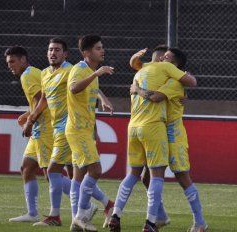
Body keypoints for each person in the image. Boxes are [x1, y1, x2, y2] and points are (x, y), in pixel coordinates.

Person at [23, 38, 114, 230]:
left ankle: (71, 214)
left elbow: (84, 85)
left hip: (69, 126)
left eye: (57, 50)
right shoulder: (45, 74)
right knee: (71, 173)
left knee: (61, 171)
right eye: (50, 49)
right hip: (58, 127)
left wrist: (103, 98)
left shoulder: (71, 69)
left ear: (65, 54)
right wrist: (31, 119)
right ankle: (89, 211)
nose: (52, 53)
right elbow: (45, 100)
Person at [108, 47, 197, 232]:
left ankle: (115, 215)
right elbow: (190, 82)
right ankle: (150, 222)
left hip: (133, 126)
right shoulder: (166, 69)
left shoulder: (140, 72)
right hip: (154, 127)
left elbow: (133, 63)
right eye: (164, 56)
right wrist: (186, 78)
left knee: (135, 175)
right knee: (158, 176)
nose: (165, 58)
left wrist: (135, 66)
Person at [130, 47, 208, 232]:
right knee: (147, 177)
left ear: (174, 65)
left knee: (182, 177)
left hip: (174, 136)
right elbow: (137, 66)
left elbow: (156, 97)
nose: (162, 58)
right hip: (158, 133)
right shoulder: (164, 76)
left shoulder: (174, 83)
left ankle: (200, 222)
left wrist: (137, 89)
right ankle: (161, 217)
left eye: (166, 57)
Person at [66, 34, 115, 232]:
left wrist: (102, 98)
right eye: (97, 48)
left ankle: (75, 223)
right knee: (95, 170)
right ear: (86, 53)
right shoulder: (80, 69)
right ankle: (82, 214)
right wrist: (96, 74)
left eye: (102, 47)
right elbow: (74, 88)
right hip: (78, 130)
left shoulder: (90, 71)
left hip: (84, 129)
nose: (102, 51)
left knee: (78, 177)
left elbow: (91, 88)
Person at [5, 46, 53, 223]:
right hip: (41, 126)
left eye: (13, 62)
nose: (10, 66)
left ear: (23, 59)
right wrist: (28, 114)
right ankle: (32, 212)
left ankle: (98, 203)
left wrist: (29, 122)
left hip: (45, 128)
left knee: (51, 174)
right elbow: (39, 101)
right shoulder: (33, 73)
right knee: (26, 167)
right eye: (8, 63)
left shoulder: (27, 76)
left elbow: (43, 100)